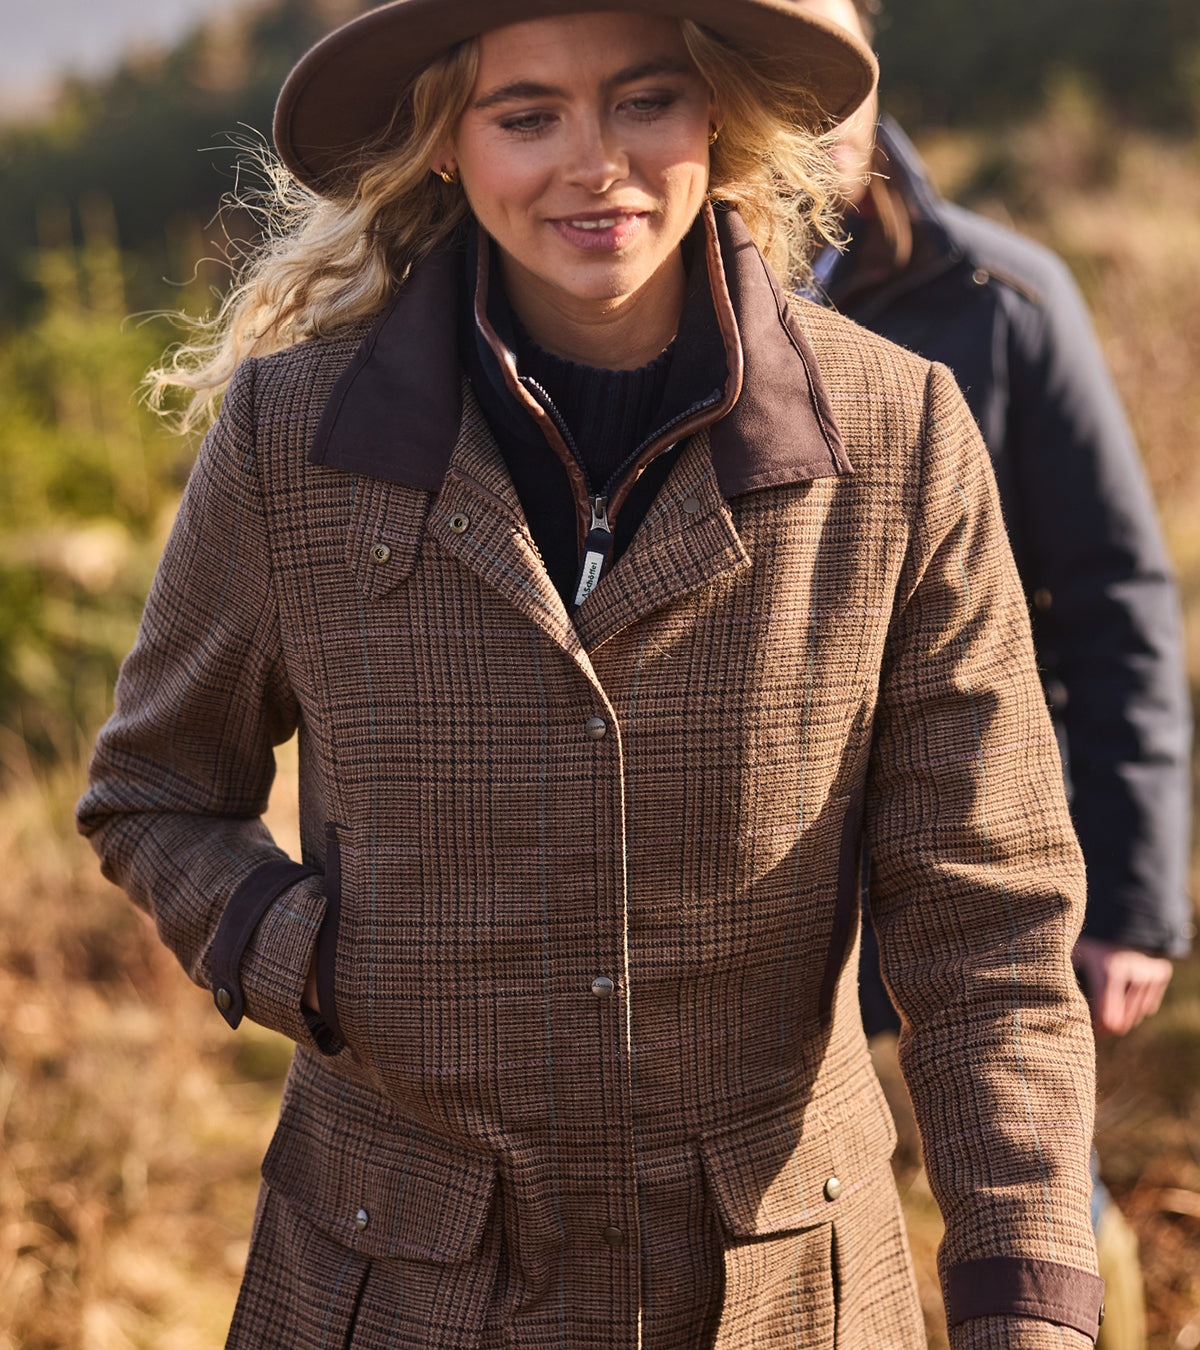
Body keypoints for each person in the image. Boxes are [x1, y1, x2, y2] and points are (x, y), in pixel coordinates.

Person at [77, 1, 1107, 1345]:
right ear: (446, 141)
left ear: (719, 117)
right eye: (527, 115)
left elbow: (990, 917)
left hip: (782, 1291)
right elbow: (152, 789)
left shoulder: (900, 437)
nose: (595, 163)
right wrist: (318, 964)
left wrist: (1028, 1298)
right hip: (395, 1285)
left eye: (646, 101)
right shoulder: (290, 440)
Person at [793, 1, 1193, 1344]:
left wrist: (1136, 896)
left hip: (976, 865)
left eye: (825, 68)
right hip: (772, 886)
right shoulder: (656, 307)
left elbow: (1116, 603)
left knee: (1038, 1195)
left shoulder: (1005, 299)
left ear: (871, 65)